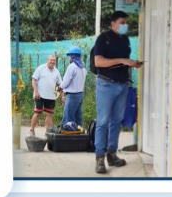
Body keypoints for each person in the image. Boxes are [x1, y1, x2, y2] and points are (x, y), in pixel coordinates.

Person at [91, 11, 142, 174]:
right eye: (122, 22)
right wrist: (122, 60)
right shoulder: (103, 38)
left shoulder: (125, 39)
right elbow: (98, 61)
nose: (125, 25)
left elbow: (124, 61)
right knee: (103, 121)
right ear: (113, 23)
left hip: (123, 85)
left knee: (116, 121)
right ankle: (99, 158)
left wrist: (132, 64)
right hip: (106, 85)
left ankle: (111, 153)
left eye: (126, 22)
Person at [29, 54, 60, 135]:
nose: (52, 61)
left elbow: (59, 85)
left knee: (49, 114)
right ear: (47, 60)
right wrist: (36, 91)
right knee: (37, 113)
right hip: (39, 95)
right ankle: (31, 130)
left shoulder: (57, 71)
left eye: (54, 60)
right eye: (51, 60)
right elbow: (33, 80)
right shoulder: (41, 68)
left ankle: (48, 132)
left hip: (51, 97)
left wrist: (61, 96)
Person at [59, 46, 87, 129]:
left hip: (72, 95)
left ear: (72, 56)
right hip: (80, 95)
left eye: (69, 56)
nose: (69, 58)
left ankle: (68, 138)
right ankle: (79, 136)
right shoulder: (83, 67)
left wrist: (60, 87)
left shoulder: (72, 66)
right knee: (78, 118)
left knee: (68, 119)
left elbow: (66, 82)